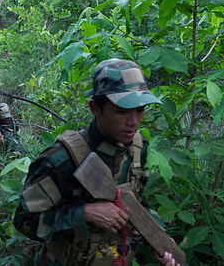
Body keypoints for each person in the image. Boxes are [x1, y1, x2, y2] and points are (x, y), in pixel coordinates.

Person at [13, 59, 181, 266]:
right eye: (122, 111)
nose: (134, 121)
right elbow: (24, 222)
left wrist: (157, 237)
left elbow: (138, 203)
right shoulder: (61, 159)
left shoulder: (138, 148)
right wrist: (84, 213)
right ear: (96, 108)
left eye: (140, 110)